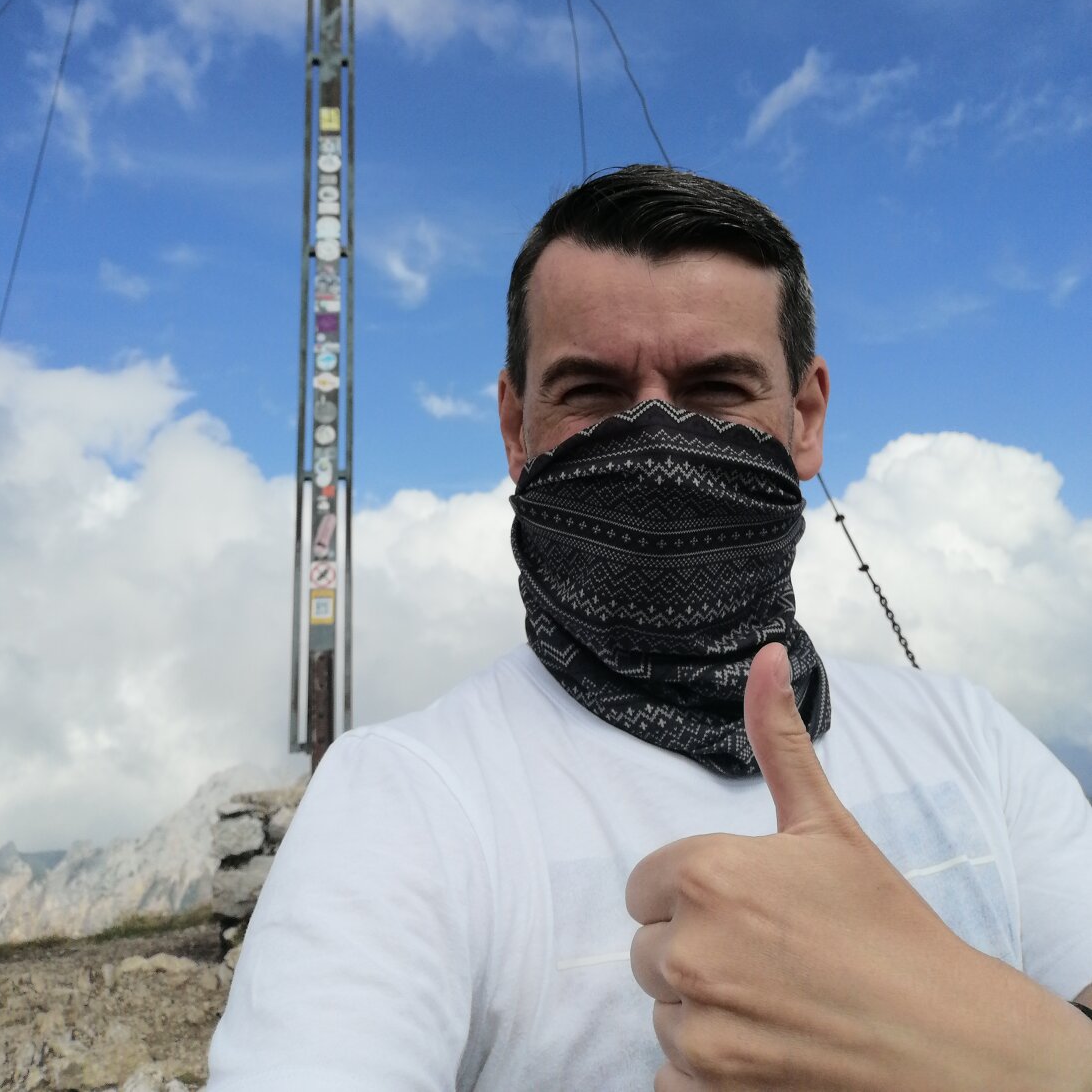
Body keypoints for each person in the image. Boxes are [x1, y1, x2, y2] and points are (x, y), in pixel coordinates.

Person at [206, 165, 1092, 1091]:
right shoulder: (400, 804)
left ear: (805, 418)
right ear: (515, 429)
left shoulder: (971, 739)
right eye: (591, 393)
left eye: (716, 389)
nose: (658, 442)